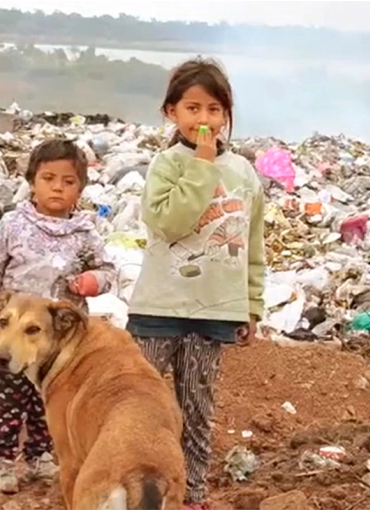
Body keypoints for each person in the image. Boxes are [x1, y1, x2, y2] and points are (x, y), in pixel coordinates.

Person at [126, 57, 266, 510]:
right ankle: (130, 487)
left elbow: (252, 244)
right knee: (138, 405)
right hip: (159, 308)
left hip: (214, 311)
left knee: (197, 411)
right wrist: (202, 165)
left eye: (213, 109)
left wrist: (251, 306)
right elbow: (169, 222)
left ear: (226, 113)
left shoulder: (244, 174)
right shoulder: (167, 165)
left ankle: (192, 496)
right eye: (192, 109)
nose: (203, 120)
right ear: (171, 113)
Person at [0, 138, 116, 494]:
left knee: (48, 402)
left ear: (79, 188)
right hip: (17, 337)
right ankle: (3, 461)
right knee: (7, 401)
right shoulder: (15, 225)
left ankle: (40, 455)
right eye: (49, 178)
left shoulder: (84, 233)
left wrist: (91, 282)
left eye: (68, 181)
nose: (57, 188)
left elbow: (108, 270)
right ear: (33, 181)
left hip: (59, 345)